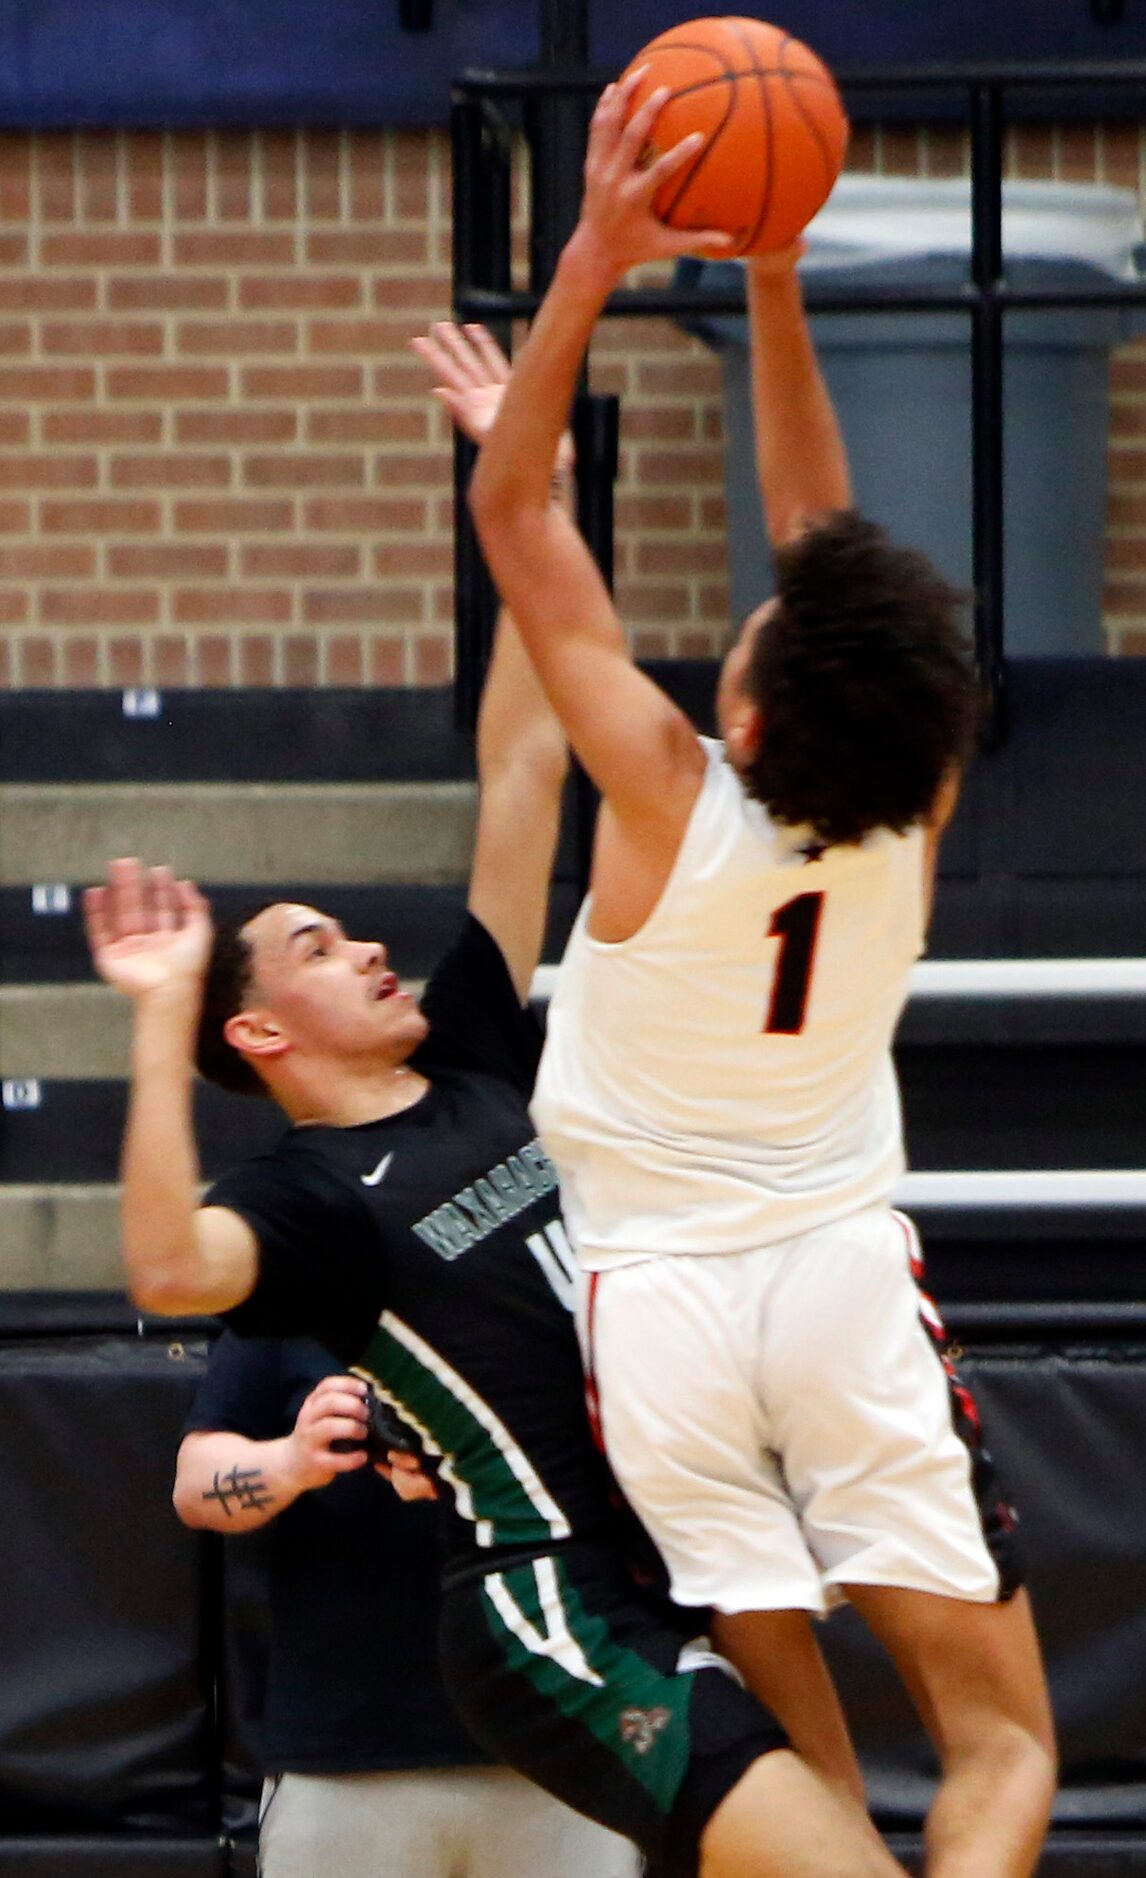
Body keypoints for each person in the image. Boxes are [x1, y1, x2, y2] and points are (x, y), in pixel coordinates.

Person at [83, 327, 909, 1878]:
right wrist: (148, 1022)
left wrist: (533, 491)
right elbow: (166, 1276)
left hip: (629, 1599)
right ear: (258, 1027)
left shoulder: (469, 1049)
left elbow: (527, 759)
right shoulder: (306, 1207)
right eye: (324, 946)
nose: (373, 942)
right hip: (492, 1627)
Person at [466, 67, 1057, 1878]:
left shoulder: (665, 802)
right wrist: (778, 279)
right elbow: (827, 544)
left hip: (658, 1310)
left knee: (803, 1785)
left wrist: (585, 269)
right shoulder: (915, 794)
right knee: (1006, 1738)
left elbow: (516, 523)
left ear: (738, 709)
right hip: (833, 1281)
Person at [175, 1333, 633, 1878]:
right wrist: (294, 1460)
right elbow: (194, 1483)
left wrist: (495, 1466)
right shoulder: (295, 1290)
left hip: (564, 1749)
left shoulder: (559, 1276)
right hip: (344, 1758)